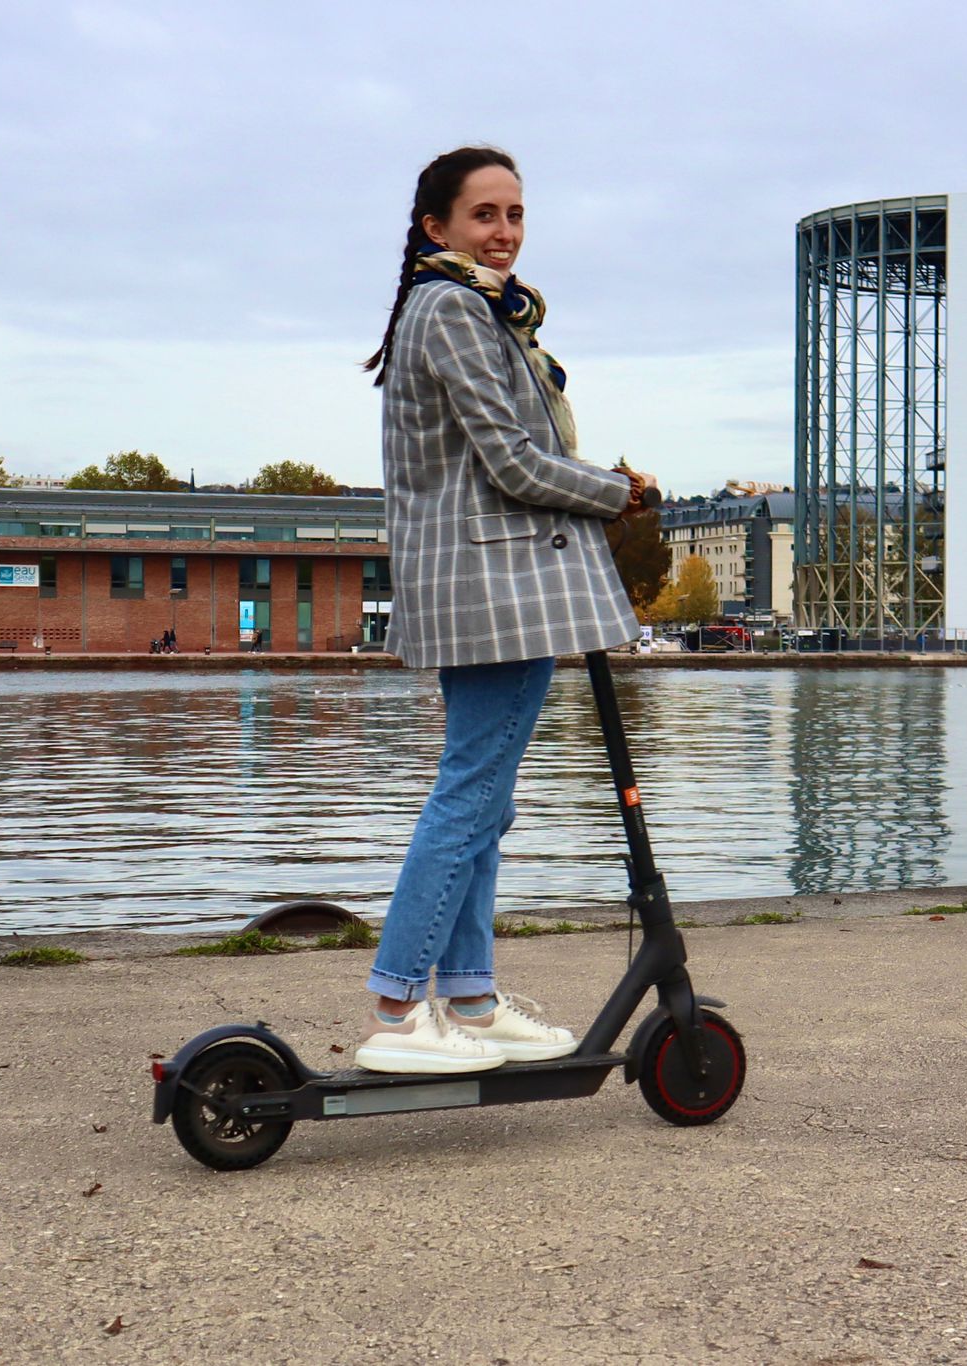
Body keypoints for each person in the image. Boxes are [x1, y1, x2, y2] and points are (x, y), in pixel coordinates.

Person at [351, 146, 656, 1074]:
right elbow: (514, 462)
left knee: (486, 794)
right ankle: (400, 1007)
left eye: (516, 214)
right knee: (472, 790)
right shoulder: (448, 308)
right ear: (436, 226)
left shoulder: (473, 309)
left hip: (489, 583)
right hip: (492, 585)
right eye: (485, 215)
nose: (506, 232)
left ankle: (472, 999)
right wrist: (617, 492)